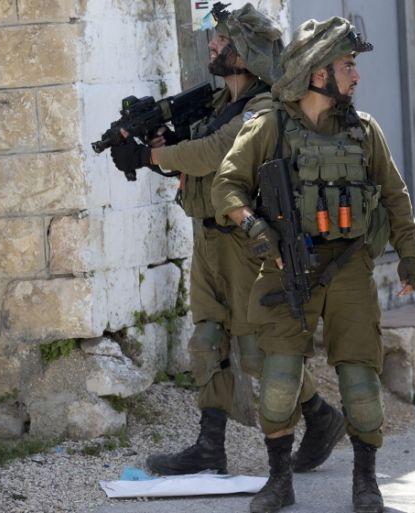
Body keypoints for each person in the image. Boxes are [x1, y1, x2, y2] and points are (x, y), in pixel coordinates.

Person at [109, 2, 344, 477]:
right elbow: (192, 158)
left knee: (258, 349)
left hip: (249, 242)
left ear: (248, 52)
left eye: (224, 40)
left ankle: (320, 416)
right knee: (207, 340)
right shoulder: (218, 105)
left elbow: (213, 153)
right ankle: (209, 446)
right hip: (209, 238)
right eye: (215, 38)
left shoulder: (264, 108)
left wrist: (152, 158)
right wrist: (159, 145)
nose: (213, 46)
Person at [212, 17, 415, 513]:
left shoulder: (363, 130)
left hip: (349, 266)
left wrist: (409, 256)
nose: (356, 75)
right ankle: (279, 480)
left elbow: (395, 196)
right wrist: (255, 228)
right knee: (279, 381)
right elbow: (227, 186)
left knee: (361, 383)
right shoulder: (270, 127)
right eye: (348, 66)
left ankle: (366, 482)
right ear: (318, 73)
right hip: (286, 264)